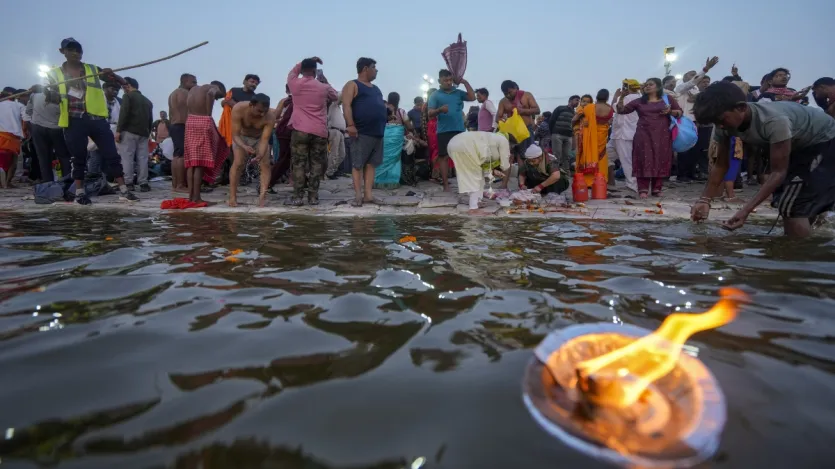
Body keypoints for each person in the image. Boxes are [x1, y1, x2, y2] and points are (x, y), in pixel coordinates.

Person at [692, 82, 835, 237]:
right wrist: (704, 200)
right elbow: (720, 165)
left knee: (792, 205)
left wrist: (745, 211)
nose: (719, 127)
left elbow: (778, 172)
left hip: (824, 140)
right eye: (715, 122)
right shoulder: (722, 125)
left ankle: (796, 255)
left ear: (741, 107)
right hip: (796, 144)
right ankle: (809, 240)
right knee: (790, 197)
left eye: (721, 120)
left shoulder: (773, 121)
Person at [44, 38, 138, 204]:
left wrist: (116, 77)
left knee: (112, 155)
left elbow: (115, 80)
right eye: (71, 50)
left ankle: (124, 190)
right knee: (78, 157)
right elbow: (54, 97)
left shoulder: (92, 69)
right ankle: (80, 193)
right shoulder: (54, 74)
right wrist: (46, 93)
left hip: (97, 119)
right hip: (74, 120)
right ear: (62, 52)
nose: (75, 53)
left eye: (78, 50)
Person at [616, 78, 683, 199]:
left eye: (650, 84)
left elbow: (679, 113)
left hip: (662, 135)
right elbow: (621, 111)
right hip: (643, 134)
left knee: (660, 158)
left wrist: (670, 111)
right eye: (646, 85)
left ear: (658, 87)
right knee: (643, 159)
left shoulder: (667, 99)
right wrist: (621, 97)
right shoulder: (639, 101)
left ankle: (657, 189)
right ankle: (643, 189)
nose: (647, 86)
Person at [286, 57, 338, 206]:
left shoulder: (294, 83)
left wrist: (303, 61)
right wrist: (325, 81)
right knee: (316, 164)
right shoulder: (323, 87)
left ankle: (297, 197)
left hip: (300, 130)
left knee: (298, 164)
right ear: (316, 71)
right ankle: (313, 197)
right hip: (319, 131)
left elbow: (292, 72)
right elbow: (335, 97)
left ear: (302, 70)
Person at [342, 57, 387, 207]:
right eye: (374, 67)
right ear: (365, 68)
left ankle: (368, 195)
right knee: (358, 164)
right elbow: (346, 105)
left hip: (377, 132)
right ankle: (357, 196)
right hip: (361, 131)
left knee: (371, 164)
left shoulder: (376, 89)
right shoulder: (352, 85)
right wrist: (350, 124)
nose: (377, 70)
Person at [428, 69, 475, 192]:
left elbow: (472, 97)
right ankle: (445, 185)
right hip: (443, 131)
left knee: (462, 156)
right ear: (439, 81)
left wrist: (464, 82)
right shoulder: (435, 95)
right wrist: (439, 110)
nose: (448, 83)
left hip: (459, 130)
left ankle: (464, 183)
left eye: (450, 80)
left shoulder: (458, 92)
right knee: (443, 157)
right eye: (445, 80)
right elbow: (430, 113)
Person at [674, 57, 719, 182]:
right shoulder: (680, 89)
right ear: (684, 78)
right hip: (683, 121)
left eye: (695, 74)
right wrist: (705, 69)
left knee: (695, 149)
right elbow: (692, 82)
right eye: (691, 74)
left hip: (695, 122)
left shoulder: (696, 91)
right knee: (684, 148)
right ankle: (681, 174)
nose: (695, 76)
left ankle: (690, 173)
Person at [446, 131, 511, 214]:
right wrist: (505, 166)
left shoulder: (491, 138)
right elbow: (505, 165)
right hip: (465, 146)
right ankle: (473, 208)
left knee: (477, 174)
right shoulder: (503, 140)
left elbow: (482, 163)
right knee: (474, 176)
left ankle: (477, 201)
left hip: (453, 144)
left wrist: (492, 171)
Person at [184, 81, 228, 203]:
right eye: (219, 97)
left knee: (191, 163)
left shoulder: (193, 89)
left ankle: (190, 197)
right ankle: (197, 198)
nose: (218, 99)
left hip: (190, 121)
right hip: (203, 121)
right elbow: (211, 93)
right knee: (200, 163)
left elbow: (187, 106)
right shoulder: (212, 87)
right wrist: (208, 114)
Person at [228, 93, 275, 207]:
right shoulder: (238, 108)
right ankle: (232, 197)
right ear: (251, 105)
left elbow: (265, 140)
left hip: (259, 139)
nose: (262, 114)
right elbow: (235, 134)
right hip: (241, 137)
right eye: (259, 111)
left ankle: (262, 197)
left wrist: (260, 155)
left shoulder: (270, 116)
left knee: (265, 164)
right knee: (238, 163)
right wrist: (244, 146)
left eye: (265, 111)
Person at [26, 85, 71, 183]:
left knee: (43, 157)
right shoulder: (64, 97)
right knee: (63, 156)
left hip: (38, 127)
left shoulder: (35, 95)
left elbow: (28, 111)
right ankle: (67, 181)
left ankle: (48, 183)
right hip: (57, 129)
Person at [116, 77, 153, 192]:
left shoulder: (128, 96)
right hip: (143, 133)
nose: (123, 89)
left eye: (123, 86)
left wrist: (118, 131)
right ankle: (143, 183)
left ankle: (129, 183)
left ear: (128, 85)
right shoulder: (147, 101)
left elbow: (124, 114)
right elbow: (150, 120)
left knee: (127, 158)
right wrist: (148, 132)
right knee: (143, 159)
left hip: (129, 131)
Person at [573, 90, 614, 187]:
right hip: (602, 135)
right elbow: (609, 122)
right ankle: (600, 180)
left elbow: (576, 120)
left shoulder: (589, 108)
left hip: (589, 136)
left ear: (597, 97)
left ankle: (588, 180)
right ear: (607, 98)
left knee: (588, 154)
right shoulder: (610, 109)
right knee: (601, 155)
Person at [496, 80, 540, 163]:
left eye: (510, 92)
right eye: (505, 94)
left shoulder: (526, 95)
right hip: (512, 132)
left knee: (529, 154)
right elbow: (498, 118)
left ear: (515, 88)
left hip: (526, 130)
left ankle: (528, 175)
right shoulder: (503, 101)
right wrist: (504, 123)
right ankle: (520, 174)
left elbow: (537, 110)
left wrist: (522, 111)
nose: (508, 95)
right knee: (513, 155)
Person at [374, 92, 411, 189]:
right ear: (398, 100)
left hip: (385, 135)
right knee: (395, 158)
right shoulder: (401, 112)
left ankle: (377, 180)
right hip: (397, 136)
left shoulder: (383, 110)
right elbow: (408, 125)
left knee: (384, 156)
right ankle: (392, 181)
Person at [168, 73, 196, 193]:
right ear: (185, 81)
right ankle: (181, 185)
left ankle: (175, 184)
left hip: (174, 125)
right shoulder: (184, 93)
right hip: (181, 125)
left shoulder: (173, 93)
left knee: (176, 155)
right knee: (182, 155)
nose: (195, 84)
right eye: (193, 82)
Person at [86, 81, 121, 177]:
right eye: (112, 89)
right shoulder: (96, 99)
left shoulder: (119, 102)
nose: (115, 92)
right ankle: (92, 180)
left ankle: (105, 181)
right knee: (96, 157)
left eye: (117, 90)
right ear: (104, 89)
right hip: (97, 130)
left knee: (109, 158)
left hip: (112, 132)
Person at [218, 74, 260, 147]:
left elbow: (250, 113)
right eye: (252, 82)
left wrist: (234, 104)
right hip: (227, 124)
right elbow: (223, 103)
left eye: (256, 84)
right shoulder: (234, 91)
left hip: (241, 129)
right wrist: (226, 102)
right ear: (244, 82)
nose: (254, 85)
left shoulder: (255, 98)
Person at [269, 85, 293, 191]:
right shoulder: (285, 101)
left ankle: (295, 180)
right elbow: (276, 115)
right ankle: (269, 182)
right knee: (284, 158)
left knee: (292, 158)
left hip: (294, 131)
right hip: (285, 132)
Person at [0, 87, 26, 187]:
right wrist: (24, 132)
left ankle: (1, 184)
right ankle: (8, 182)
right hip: (14, 137)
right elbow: (26, 120)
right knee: (13, 161)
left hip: (1, 135)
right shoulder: (19, 105)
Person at [548, 95, 580, 172]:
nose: (578, 102)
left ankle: (566, 172)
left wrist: (573, 138)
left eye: (579, 101)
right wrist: (552, 133)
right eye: (576, 100)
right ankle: (554, 172)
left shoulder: (576, 113)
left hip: (568, 136)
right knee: (557, 155)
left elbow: (574, 126)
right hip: (557, 134)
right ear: (570, 100)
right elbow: (552, 120)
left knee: (567, 156)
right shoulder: (560, 108)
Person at [325, 91, 347, 180]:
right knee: (334, 153)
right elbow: (340, 95)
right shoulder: (333, 105)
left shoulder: (338, 107)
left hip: (341, 132)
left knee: (342, 154)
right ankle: (329, 172)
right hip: (334, 130)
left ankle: (332, 170)